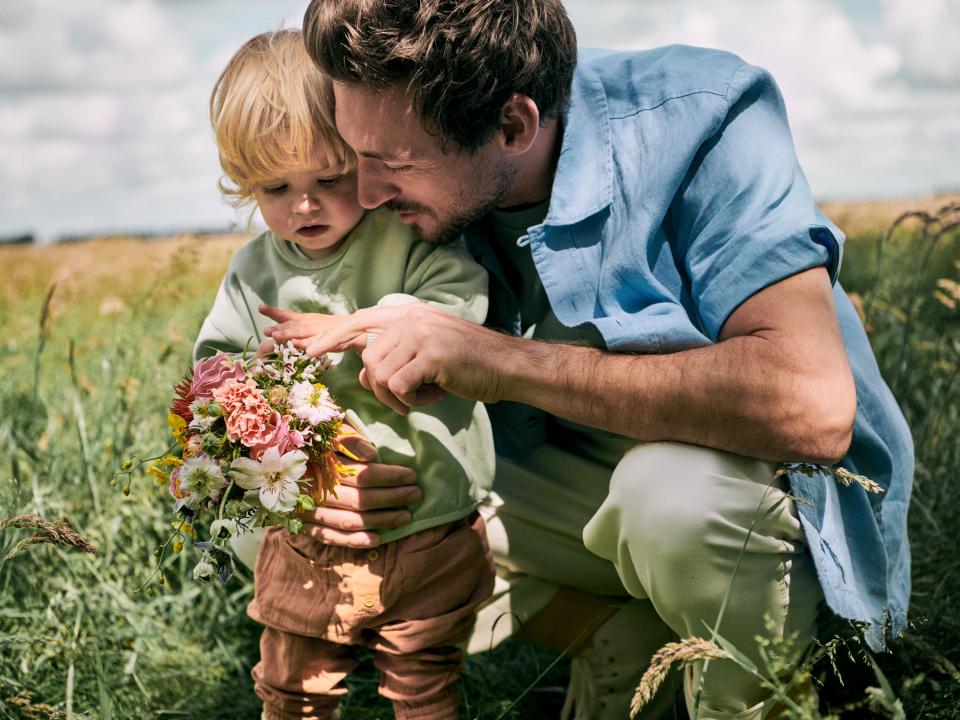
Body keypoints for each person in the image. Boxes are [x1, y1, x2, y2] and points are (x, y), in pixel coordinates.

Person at [258, 2, 916, 719]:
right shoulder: (390, 144)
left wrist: (501, 361)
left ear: (513, 126)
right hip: (566, 488)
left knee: (672, 501)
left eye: (393, 164)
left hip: (744, 501)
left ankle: (760, 701)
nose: (366, 194)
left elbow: (812, 407)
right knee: (292, 514)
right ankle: (619, 636)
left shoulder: (704, 115)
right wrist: (318, 481)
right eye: (355, 155)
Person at [196, 29, 497, 720]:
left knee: (422, 680)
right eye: (277, 187)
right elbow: (211, 380)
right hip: (308, 534)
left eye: (329, 180)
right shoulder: (254, 271)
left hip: (429, 519)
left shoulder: (409, 236)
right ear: (245, 184)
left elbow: (459, 315)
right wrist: (259, 384)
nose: (305, 205)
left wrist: (357, 325)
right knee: (294, 682)